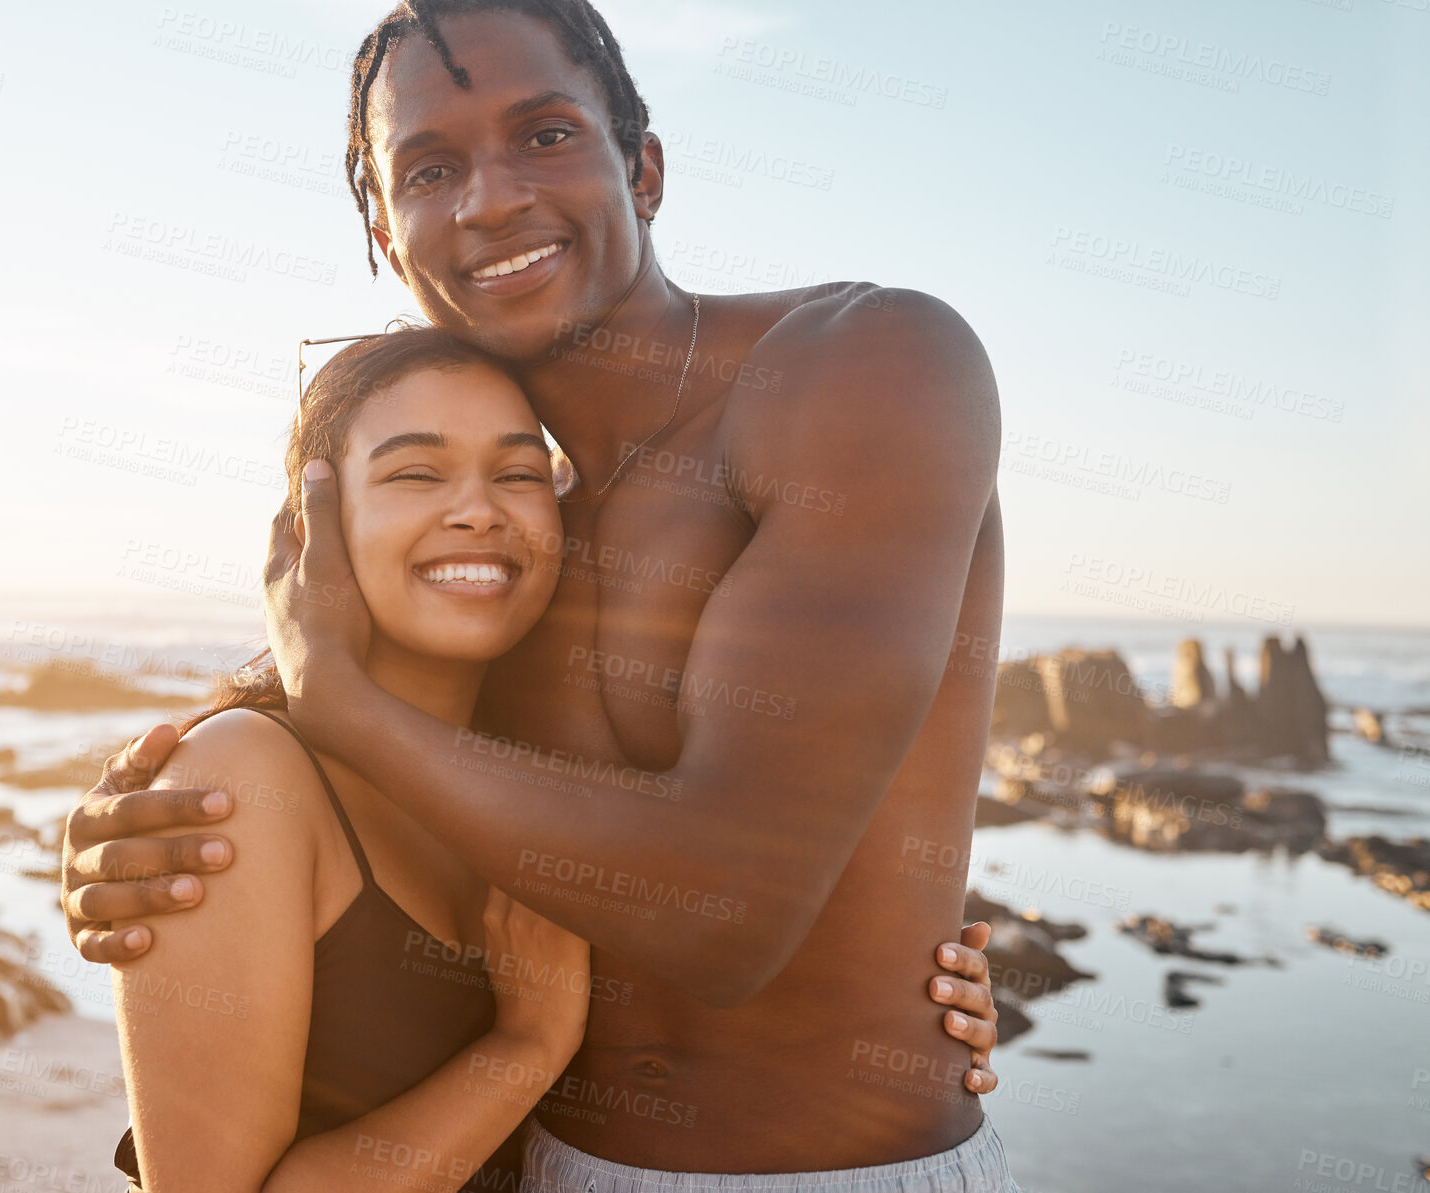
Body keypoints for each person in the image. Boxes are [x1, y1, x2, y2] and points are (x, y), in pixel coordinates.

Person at [66, 1, 1017, 1189]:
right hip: (540, 1160)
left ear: (646, 166)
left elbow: (731, 906)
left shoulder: (863, 367)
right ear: (382, 224)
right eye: (427, 167)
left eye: (548, 135)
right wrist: (143, 830)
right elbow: (353, 780)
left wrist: (343, 706)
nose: (491, 198)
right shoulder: (517, 547)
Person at [106, 326, 998, 1192]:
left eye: (519, 474)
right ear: (309, 524)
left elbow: (746, 851)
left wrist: (906, 988)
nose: (476, 509)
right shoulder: (240, 780)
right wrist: (526, 1046)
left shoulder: (530, 760)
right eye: (416, 472)